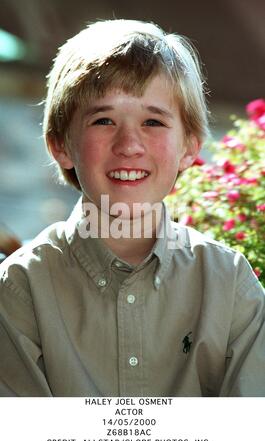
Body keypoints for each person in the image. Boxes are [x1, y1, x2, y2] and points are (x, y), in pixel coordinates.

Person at [0, 19, 264, 397]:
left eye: (153, 121)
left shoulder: (230, 283)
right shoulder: (20, 288)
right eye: (103, 120)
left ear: (189, 146)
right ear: (60, 144)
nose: (129, 144)